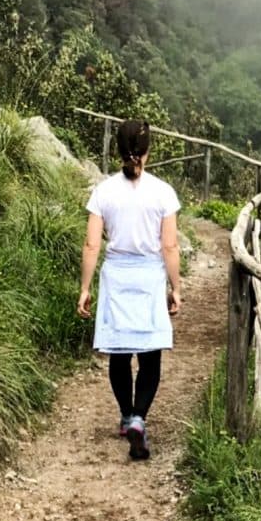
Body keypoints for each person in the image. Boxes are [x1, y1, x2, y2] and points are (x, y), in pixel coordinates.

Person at [77, 119, 181, 460]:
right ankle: (139, 417)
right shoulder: (163, 192)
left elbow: (92, 244)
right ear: (149, 151)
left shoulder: (103, 191)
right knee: (149, 355)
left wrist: (85, 287)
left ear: (118, 150)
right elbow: (170, 246)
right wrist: (175, 288)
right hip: (150, 276)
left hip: (116, 275)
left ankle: (125, 415)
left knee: (119, 353)